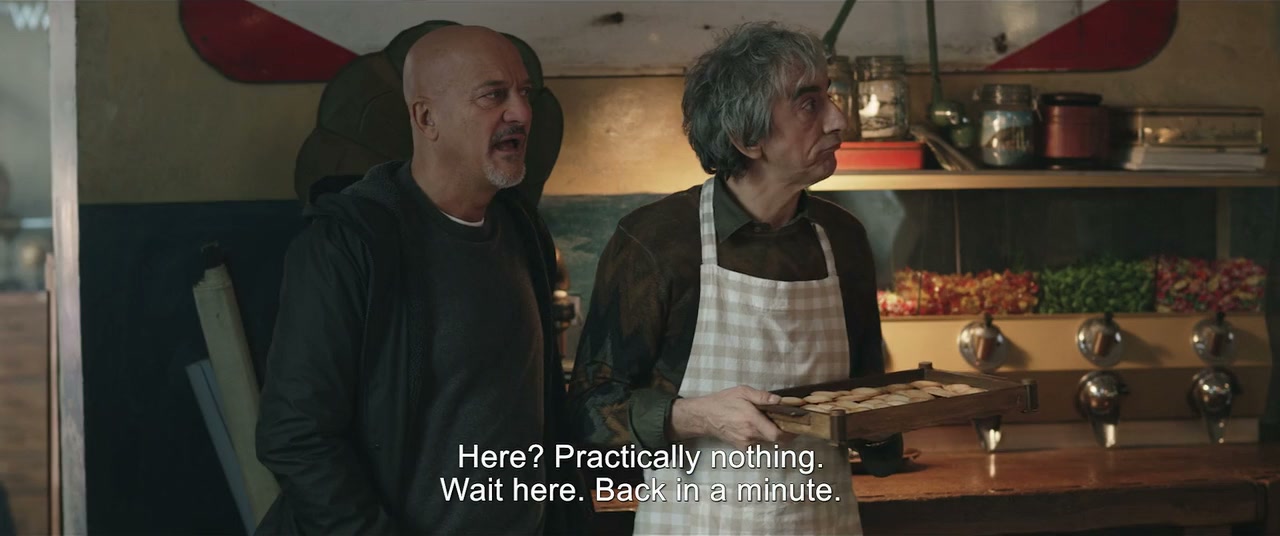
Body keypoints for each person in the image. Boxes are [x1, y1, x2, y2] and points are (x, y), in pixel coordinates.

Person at [568, 21, 902, 535]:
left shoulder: (844, 240)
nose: (839, 119)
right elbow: (590, 417)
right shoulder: (656, 243)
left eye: (830, 97)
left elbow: (869, 408)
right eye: (809, 104)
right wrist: (696, 417)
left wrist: (891, 423)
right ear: (747, 138)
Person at [256, 25, 586, 535]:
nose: (521, 112)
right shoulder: (346, 245)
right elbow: (296, 436)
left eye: (523, 92)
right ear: (426, 118)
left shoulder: (523, 231)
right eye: (493, 95)